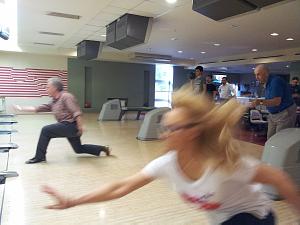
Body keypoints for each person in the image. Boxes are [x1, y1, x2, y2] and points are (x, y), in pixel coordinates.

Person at [42, 85, 300, 225]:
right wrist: (73, 201)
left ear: (193, 132)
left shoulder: (223, 163)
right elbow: (121, 186)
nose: (165, 134)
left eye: (172, 128)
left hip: (254, 219)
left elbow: (277, 178)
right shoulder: (167, 164)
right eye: (164, 127)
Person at [14, 77, 110, 164]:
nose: (46, 89)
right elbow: (38, 108)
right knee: (78, 149)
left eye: (48, 87)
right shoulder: (54, 101)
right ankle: (103, 148)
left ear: (55, 88)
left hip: (71, 126)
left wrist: (80, 126)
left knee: (46, 130)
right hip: (67, 127)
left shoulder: (66, 96)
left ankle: (40, 157)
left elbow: (76, 112)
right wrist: (21, 108)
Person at [251, 64, 296, 139]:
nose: (256, 77)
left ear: (266, 73)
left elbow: (276, 102)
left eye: (258, 74)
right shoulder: (267, 83)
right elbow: (270, 99)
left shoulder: (275, 81)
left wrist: (259, 102)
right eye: (255, 75)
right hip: (273, 115)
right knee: (270, 139)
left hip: (284, 113)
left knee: (280, 140)